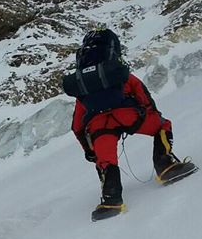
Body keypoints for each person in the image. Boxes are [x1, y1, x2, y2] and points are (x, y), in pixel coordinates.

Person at [63, 27, 195, 220]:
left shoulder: (84, 85)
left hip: (99, 126)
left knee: (105, 160)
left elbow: (77, 125)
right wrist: (150, 116)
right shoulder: (117, 72)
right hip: (129, 114)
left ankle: (111, 200)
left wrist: (89, 149)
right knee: (162, 126)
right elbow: (143, 96)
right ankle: (165, 166)